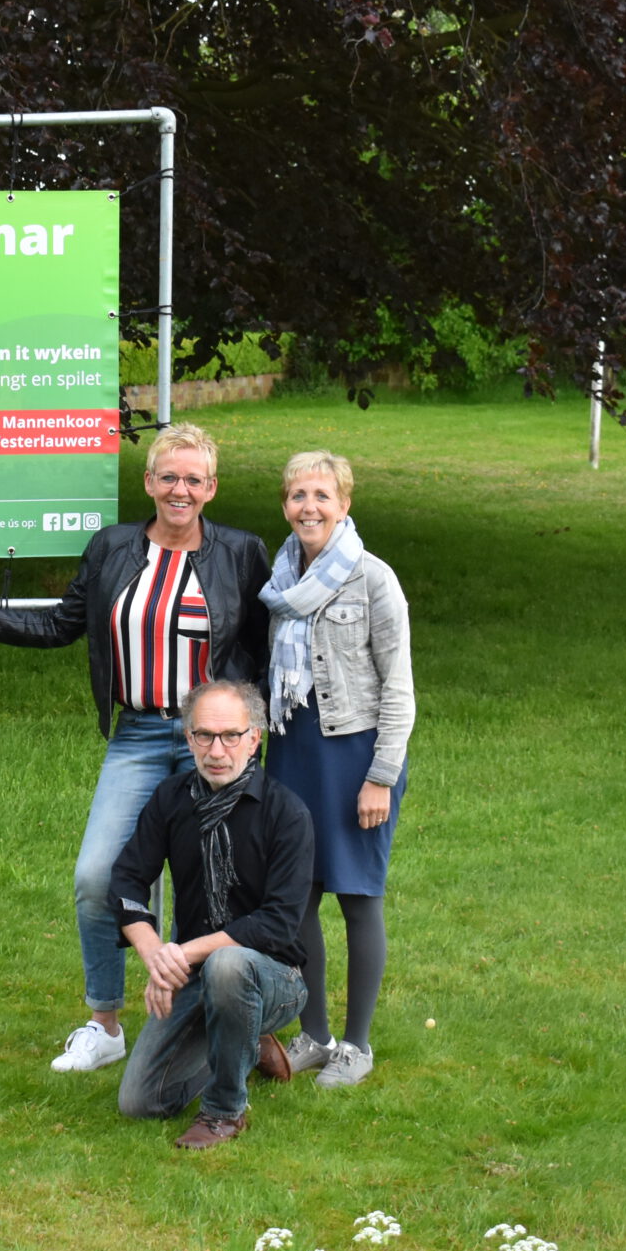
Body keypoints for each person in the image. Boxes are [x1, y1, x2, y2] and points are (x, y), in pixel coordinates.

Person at [0, 422, 275, 1074]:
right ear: (149, 481)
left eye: (194, 479)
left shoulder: (242, 553)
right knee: (96, 878)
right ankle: (104, 1023)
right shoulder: (112, 548)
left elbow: (265, 650)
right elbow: (60, 624)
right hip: (138, 736)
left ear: (212, 488)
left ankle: (226, 1021)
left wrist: (251, 733)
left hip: (214, 744)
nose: (181, 489)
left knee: (220, 885)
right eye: (169, 476)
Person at [259, 448, 415, 1089]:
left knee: (357, 897)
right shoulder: (278, 581)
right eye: (298, 495)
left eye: (322, 495)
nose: (310, 507)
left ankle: (357, 1045)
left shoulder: (374, 579)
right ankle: (315, 1035)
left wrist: (381, 776)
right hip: (292, 751)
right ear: (285, 506)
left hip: (355, 758)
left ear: (344, 504)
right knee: (297, 899)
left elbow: (399, 687)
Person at [109, 679, 315, 1149]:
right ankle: (241, 1040)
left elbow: (277, 924)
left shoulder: (287, 814)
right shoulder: (171, 798)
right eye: (203, 735)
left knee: (227, 965)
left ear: (254, 738)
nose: (216, 751)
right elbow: (125, 881)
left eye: (230, 736)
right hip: (195, 971)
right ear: (188, 737)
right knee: (140, 1101)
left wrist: (182, 953)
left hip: (276, 976)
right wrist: (155, 954)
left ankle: (225, 1112)